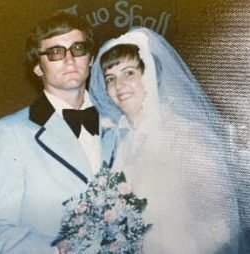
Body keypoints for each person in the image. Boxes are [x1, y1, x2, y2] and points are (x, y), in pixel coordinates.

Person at [0, 12, 116, 254]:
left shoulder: (119, 125)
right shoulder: (10, 133)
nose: (69, 59)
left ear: (91, 58)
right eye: (55, 52)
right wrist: (57, 249)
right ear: (37, 67)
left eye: (78, 48)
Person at [89, 27, 241, 253]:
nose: (119, 85)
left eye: (129, 73)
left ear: (149, 74)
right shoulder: (119, 141)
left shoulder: (186, 137)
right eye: (110, 78)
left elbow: (220, 226)